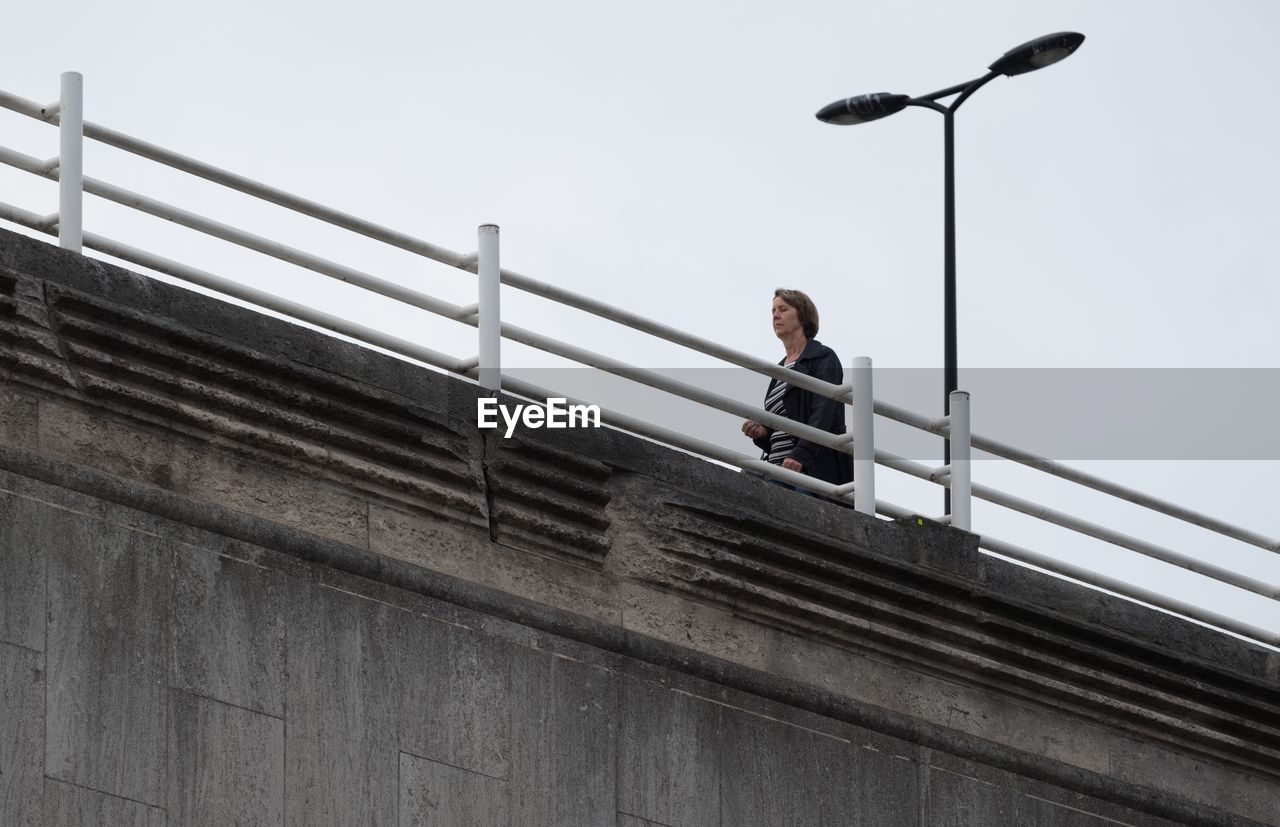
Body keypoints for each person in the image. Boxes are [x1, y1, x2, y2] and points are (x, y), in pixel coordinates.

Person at [741, 289, 853, 489]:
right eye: (773, 311)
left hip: (808, 470)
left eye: (783, 309)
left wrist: (802, 455)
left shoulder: (822, 357)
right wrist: (762, 433)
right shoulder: (779, 370)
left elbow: (824, 413)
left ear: (802, 315)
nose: (775, 315)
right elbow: (781, 425)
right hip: (775, 465)